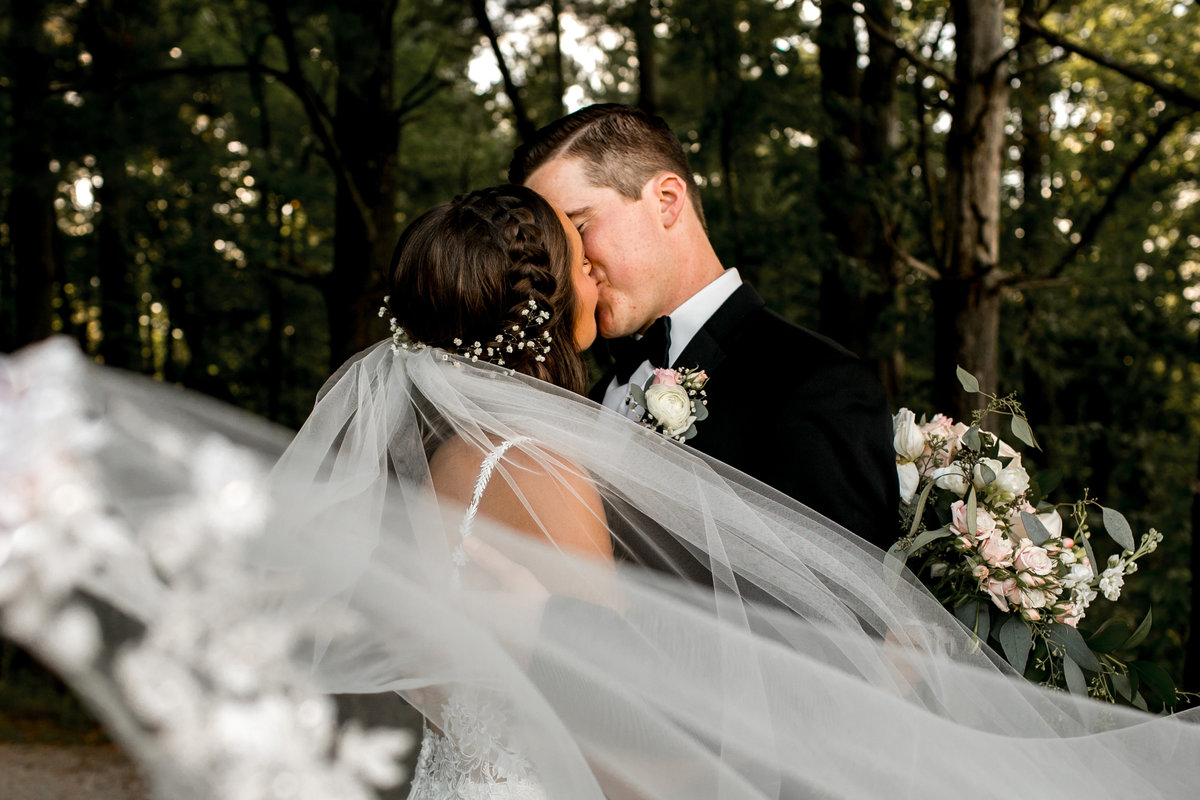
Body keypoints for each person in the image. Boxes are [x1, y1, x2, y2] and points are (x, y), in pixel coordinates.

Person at [6, 185, 1200, 800]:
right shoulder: (536, 468)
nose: (596, 274)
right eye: (574, 255)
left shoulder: (423, 466)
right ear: (545, 306)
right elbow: (601, 711)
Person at [509, 104, 899, 553]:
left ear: (667, 201)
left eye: (578, 230)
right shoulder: (589, 400)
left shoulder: (818, 385)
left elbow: (840, 617)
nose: (565, 267)